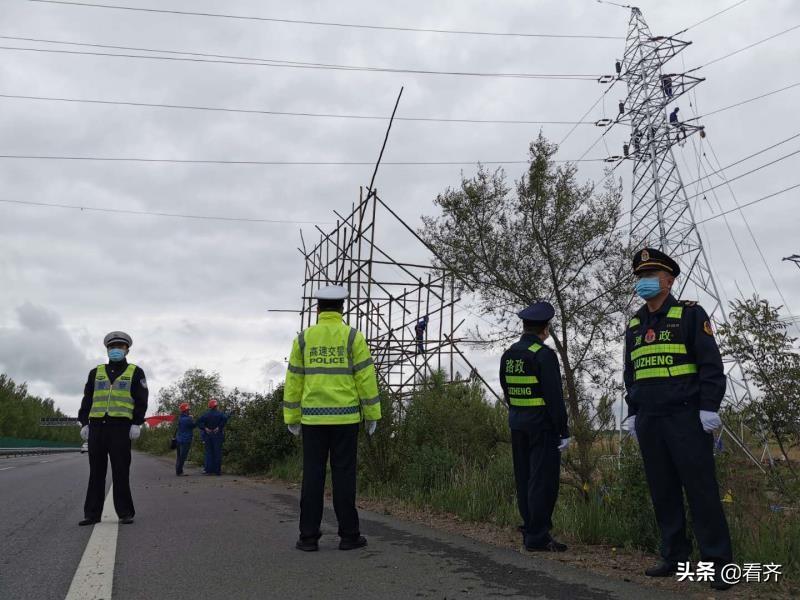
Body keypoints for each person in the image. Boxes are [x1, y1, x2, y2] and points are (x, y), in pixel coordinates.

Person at [623, 248, 733, 591]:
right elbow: (632, 371)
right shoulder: (636, 322)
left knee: (700, 490)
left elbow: (711, 365)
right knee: (663, 490)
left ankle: (718, 564)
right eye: (640, 276)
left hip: (686, 416)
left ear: (669, 281)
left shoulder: (690, 314)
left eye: (652, 276)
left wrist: (709, 406)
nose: (644, 282)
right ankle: (674, 556)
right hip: (650, 419)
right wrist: (632, 410)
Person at [284, 285, 381, 552]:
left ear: (318, 309)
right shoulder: (353, 337)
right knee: (344, 476)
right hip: (346, 419)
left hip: (313, 421)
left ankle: (308, 537)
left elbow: (293, 380)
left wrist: (291, 416)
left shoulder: (303, 339)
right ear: (342, 308)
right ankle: (349, 536)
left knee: (312, 477)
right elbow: (365, 377)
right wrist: (372, 414)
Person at [499, 301, 570, 552]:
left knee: (524, 477)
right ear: (545, 329)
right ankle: (538, 536)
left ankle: (530, 528)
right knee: (543, 480)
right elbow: (554, 397)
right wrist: (563, 430)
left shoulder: (509, 355)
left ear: (524, 326)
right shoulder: (544, 355)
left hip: (518, 423)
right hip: (542, 427)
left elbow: (507, 391)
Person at [77, 331, 148, 526]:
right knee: (96, 473)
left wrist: (137, 423)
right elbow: (87, 399)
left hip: (121, 428)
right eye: (112, 347)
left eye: (120, 347)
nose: (115, 350)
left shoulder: (136, 372)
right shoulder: (95, 372)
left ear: (127, 350)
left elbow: (141, 400)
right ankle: (92, 514)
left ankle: (125, 512)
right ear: (107, 349)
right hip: (97, 427)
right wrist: (84, 422)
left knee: (120, 471)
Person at [196, 399, 228, 476]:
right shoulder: (220, 414)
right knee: (217, 453)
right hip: (217, 435)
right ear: (216, 406)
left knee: (209, 453)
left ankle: (209, 470)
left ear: (210, 406)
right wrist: (219, 427)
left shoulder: (206, 414)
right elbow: (225, 418)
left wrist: (205, 428)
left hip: (208, 435)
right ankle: (217, 471)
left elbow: (198, 422)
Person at [175, 403, 195, 476]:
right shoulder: (188, 419)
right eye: (188, 410)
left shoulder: (180, 418)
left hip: (179, 439)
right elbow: (193, 425)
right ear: (185, 410)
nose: (189, 411)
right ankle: (179, 471)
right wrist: (192, 419)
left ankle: (178, 470)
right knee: (183, 456)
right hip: (185, 440)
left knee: (179, 456)